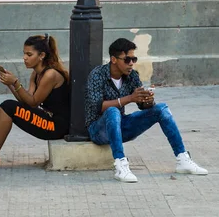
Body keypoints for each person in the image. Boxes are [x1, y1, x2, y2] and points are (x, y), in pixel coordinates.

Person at [85, 38, 208, 182]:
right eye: (127, 59)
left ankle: (183, 159)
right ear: (113, 59)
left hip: (120, 126)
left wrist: (147, 101)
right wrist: (130, 98)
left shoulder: (132, 76)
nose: (131, 63)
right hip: (98, 130)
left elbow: (141, 105)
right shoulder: (97, 75)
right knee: (112, 111)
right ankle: (121, 166)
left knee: (161, 108)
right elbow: (97, 106)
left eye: (134, 59)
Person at [0, 34, 70, 169]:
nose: (25, 58)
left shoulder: (50, 74)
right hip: (47, 120)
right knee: (5, 106)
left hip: (56, 127)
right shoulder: (36, 73)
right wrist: (10, 84)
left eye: (29, 54)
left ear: (41, 55)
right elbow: (26, 100)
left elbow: (33, 102)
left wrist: (15, 82)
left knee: (8, 106)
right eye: (24, 54)